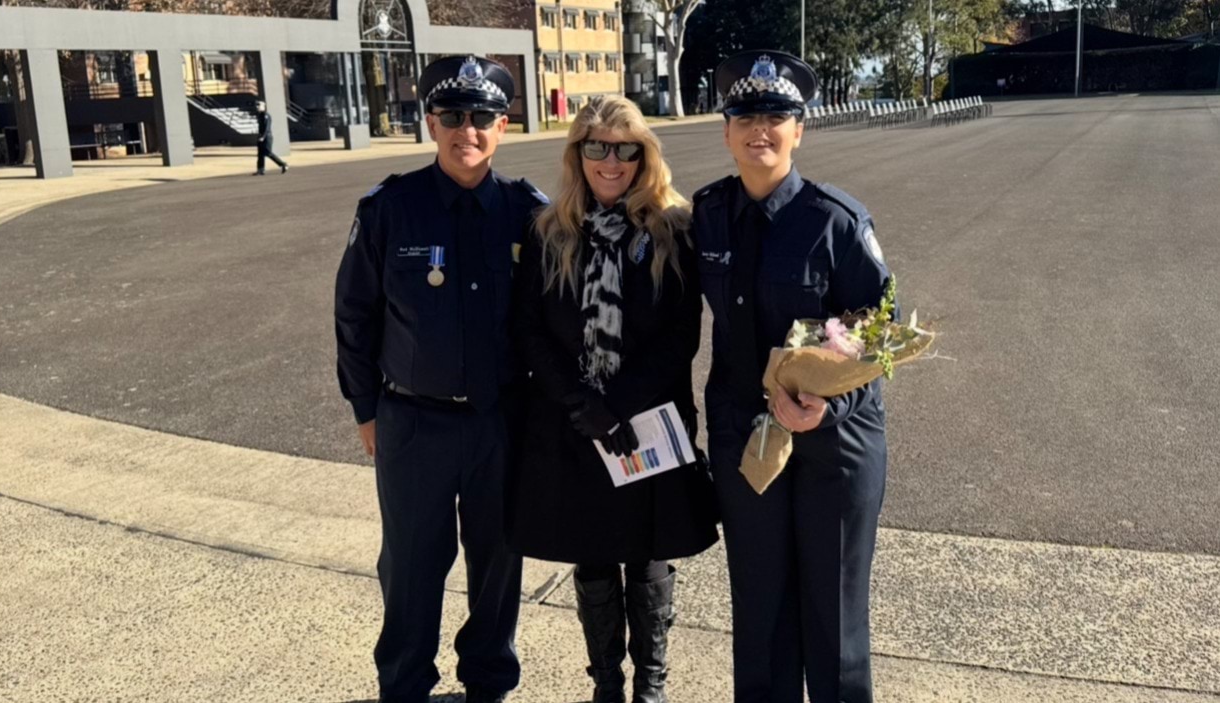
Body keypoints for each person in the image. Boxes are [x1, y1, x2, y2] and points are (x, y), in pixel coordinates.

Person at [333, 55, 547, 703]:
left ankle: (487, 682)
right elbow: (354, 315)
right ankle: (403, 685)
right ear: (431, 122)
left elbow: (553, 321)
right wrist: (365, 409)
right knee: (410, 568)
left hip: (499, 423)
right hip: (411, 423)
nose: (467, 130)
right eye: (452, 116)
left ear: (502, 127)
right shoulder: (389, 209)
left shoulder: (528, 214)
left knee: (498, 565)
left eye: (482, 116)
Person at [692, 50, 893, 703]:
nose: (761, 127)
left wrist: (827, 411)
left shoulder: (835, 220)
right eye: (745, 113)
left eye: (776, 114)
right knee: (760, 614)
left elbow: (880, 338)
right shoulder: (709, 215)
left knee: (834, 621)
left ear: (799, 129)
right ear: (725, 130)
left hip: (835, 446)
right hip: (748, 442)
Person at [507, 95, 718, 703]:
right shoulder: (548, 231)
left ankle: (650, 686)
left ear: (643, 154)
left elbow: (683, 333)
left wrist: (618, 402)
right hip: (572, 425)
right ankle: (606, 685)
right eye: (596, 145)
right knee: (592, 553)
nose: (611, 160)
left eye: (625, 147)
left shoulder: (672, 228)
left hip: (647, 420)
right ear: (578, 153)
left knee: (648, 554)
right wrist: (583, 404)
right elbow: (528, 330)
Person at [253, 100, 288, 175]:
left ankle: (283, 164)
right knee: (260, 154)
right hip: (261, 137)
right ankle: (260, 169)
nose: (257, 107)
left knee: (268, 153)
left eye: (259, 105)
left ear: (263, 106)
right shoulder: (260, 115)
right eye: (256, 105)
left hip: (267, 137)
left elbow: (267, 128)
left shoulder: (266, 115)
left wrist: (263, 137)